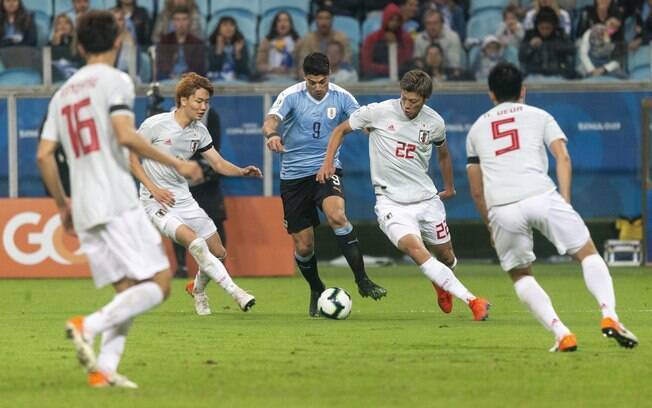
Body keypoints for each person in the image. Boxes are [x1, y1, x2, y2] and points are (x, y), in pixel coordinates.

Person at [37, 10, 201, 388]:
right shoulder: (116, 80)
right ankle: (86, 326)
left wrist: (63, 205)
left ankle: (104, 369)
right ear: (117, 40)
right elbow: (125, 135)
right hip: (115, 198)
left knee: (127, 293)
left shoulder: (62, 94)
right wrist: (178, 162)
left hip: (85, 205)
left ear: (78, 45)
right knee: (159, 283)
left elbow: (44, 155)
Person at [465, 63, 639, 351]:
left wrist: (490, 225)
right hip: (541, 195)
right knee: (587, 253)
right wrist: (565, 202)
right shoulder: (540, 116)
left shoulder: (476, 130)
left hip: (502, 207)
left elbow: (475, 189)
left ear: (490, 94)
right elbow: (563, 158)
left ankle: (562, 333)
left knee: (521, 274)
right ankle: (609, 315)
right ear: (523, 90)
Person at [317, 69, 490, 321]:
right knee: (415, 249)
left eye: (414, 102)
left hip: (426, 199)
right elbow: (339, 130)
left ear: (425, 99)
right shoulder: (378, 112)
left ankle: (441, 283)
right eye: (405, 99)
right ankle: (473, 301)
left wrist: (450, 186)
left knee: (447, 257)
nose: (408, 105)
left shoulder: (434, 123)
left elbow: (443, 154)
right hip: (391, 204)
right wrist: (327, 163)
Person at [262, 52, 387, 317]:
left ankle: (362, 279)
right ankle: (317, 287)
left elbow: (362, 122)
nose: (318, 87)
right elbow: (271, 120)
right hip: (294, 177)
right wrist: (272, 134)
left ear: (330, 75)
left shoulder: (342, 96)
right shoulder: (291, 95)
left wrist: (377, 130)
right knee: (304, 245)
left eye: (323, 81)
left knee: (337, 215)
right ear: (304, 78)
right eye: (312, 82)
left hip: (326, 169)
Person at [130, 72, 261, 316]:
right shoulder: (155, 124)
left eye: (206, 102)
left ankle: (198, 290)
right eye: (199, 101)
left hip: (183, 198)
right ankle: (237, 293)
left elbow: (218, 164)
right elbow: (131, 157)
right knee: (196, 244)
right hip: (155, 201)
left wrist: (242, 171)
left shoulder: (199, 131)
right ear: (182, 100)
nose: (203, 107)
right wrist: (153, 188)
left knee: (218, 252)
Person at [360, 3, 413, 79]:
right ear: (385, 19)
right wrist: (388, 69)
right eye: (391, 19)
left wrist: (395, 45)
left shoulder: (406, 38)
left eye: (397, 20)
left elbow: (406, 63)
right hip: (374, 77)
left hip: (400, 77)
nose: (394, 23)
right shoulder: (372, 38)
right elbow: (366, 65)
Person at [156, 5, 205, 80]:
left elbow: (198, 67)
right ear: (173, 22)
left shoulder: (197, 42)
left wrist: (183, 77)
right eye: (177, 19)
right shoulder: (164, 41)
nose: (181, 23)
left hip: (189, 80)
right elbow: (161, 65)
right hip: (167, 78)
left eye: (184, 19)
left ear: (189, 21)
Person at [255, 11, 302, 81]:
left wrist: (290, 70)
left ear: (290, 24)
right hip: (270, 78)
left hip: (292, 79)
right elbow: (259, 65)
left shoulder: (298, 41)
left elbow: (303, 65)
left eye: (286, 20)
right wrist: (272, 69)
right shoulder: (266, 41)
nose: (283, 24)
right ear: (275, 25)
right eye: (279, 21)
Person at [207, 16, 251, 81]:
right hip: (216, 79)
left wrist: (237, 53)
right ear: (219, 29)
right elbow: (214, 68)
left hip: (238, 79)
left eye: (232, 25)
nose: (228, 28)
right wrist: (219, 50)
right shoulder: (212, 45)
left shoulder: (241, 45)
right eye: (225, 25)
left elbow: (243, 70)